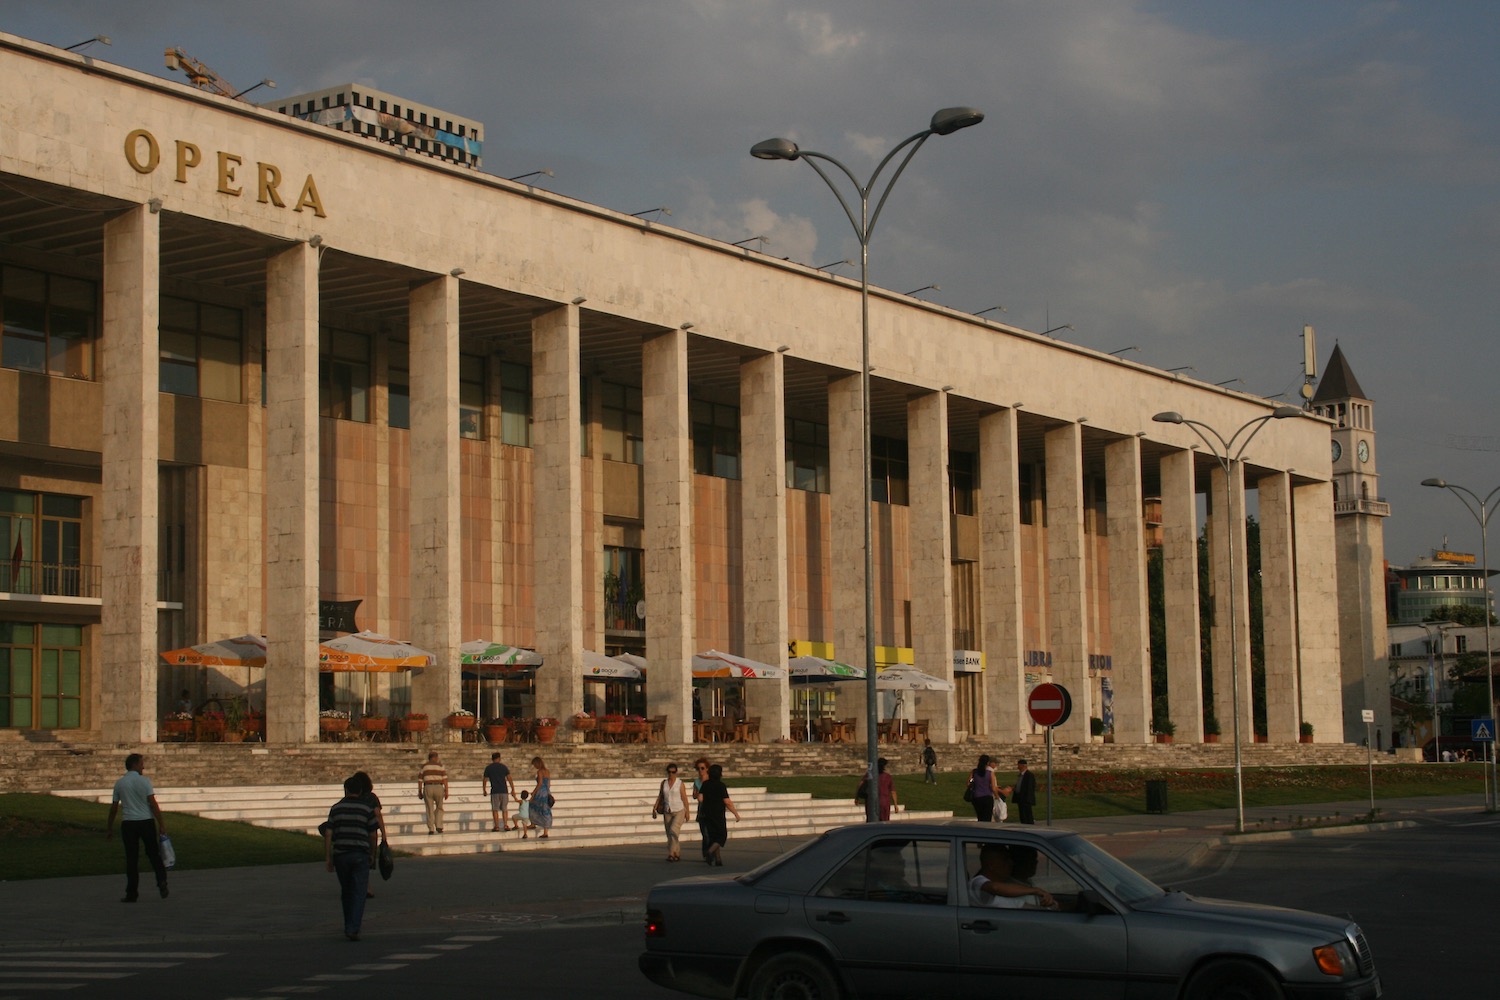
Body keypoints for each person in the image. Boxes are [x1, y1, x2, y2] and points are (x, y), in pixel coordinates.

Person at [105, 753, 169, 903]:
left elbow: (114, 808)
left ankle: (132, 892)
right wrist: (161, 824)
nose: (143, 767)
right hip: (146, 821)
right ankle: (161, 880)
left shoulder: (120, 783)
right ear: (134, 765)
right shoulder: (145, 782)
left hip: (129, 823)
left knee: (132, 858)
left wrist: (109, 828)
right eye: (141, 764)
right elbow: (153, 803)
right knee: (153, 854)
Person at [324, 774, 379, 941]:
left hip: (341, 854)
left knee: (346, 891)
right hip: (360, 854)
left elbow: (328, 833)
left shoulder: (336, 808)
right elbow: (372, 835)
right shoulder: (366, 809)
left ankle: (349, 923)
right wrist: (372, 854)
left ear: (346, 790)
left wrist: (328, 857)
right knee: (359, 892)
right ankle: (353, 927)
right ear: (361, 791)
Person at [968, 843, 1054, 909]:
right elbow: (995, 888)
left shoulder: (1006, 888)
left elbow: (1022, 906)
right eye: (1005, 860)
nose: (1011, 863)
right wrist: (1035, 891)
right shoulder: (977, 883)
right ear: (991, 864)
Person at [350, 771, 385, 899]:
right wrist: (384, 833)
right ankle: (367, 887)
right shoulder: (371, 798)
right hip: (370, 832)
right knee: (367, 860)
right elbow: (378, 815)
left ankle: (362, 886)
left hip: (356, 831)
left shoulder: (353, 798)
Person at [697, 763, 740, 866]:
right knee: (721, 836)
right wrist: (736, 814)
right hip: (718, 814)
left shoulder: (706, 784)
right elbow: (727, 802)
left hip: (707, 813)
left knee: (713, 836)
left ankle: (718, 860)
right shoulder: (721, 786)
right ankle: (709, 852)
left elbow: (700, 798)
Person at [652, 762, 691, 861]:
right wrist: (655, 807)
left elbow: (684, 798)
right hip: (667, 810)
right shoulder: (664, 783)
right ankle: (676, 853)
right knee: (670, 833)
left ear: (676, 772)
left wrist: (687, 811)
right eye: (669, 772)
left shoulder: (680, 783)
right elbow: (660, 795)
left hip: (679, 810)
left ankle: (671, 853)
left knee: (673, 830)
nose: (671, 774)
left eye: (673, 772)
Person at [482, 752, 517, 832]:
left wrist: (484, 789)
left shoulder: (489, 768)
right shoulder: (503, 767)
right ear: (499, 758)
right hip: (504, 790)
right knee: (504, 809)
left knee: (495, 809)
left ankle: (497, 826)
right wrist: (512, 788)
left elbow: (485, 780)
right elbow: (509, 778)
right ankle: (505, 825)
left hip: (495, 791)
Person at [418, 750, 448, 834]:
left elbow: (420, 780)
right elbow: (445, 779)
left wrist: (420, 791)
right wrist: (446, 791)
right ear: (436, 757)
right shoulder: (440, 766)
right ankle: (439, 826)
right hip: (439, 787)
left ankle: (431, 828)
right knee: (439, 807)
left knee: (429, 808)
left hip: (428, 787)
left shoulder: (424, 766)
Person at [966, 754, 997, 822]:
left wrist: (973, 782)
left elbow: (969, 782)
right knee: (987, 818)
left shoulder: (974, 772)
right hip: (987, 797)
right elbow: (993, 787)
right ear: (988, 763)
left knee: (980, 817)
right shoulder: (990, 773)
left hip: (977, 797)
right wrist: (997, 796)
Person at [529, 756, 553, 839]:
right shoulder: (547, 771)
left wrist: (533, 793)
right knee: (545, 810)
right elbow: (549, 784)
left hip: (541, 792)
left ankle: (533, 823)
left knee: (532, 806)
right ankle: (545, 831)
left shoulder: (540, 772)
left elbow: (539, 783)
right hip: (546, 791)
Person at [1013, 757, 1037, 824]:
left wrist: (1027, 798)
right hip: (1020, 798)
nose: (1018, 766)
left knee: (1027, 814)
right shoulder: (1020, 775)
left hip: (1026, 799)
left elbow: (1030, 788)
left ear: (1023, 766)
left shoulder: (1029, 775)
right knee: (1022, 815)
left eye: (1019, 765)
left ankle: (1029, 826)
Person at [875, 757, 899, 821]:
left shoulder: (873, 776)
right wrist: (895, 805)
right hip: (885, 802)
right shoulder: (887, 777)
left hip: (874, 802)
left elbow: (861, 783)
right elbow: (893, 791)